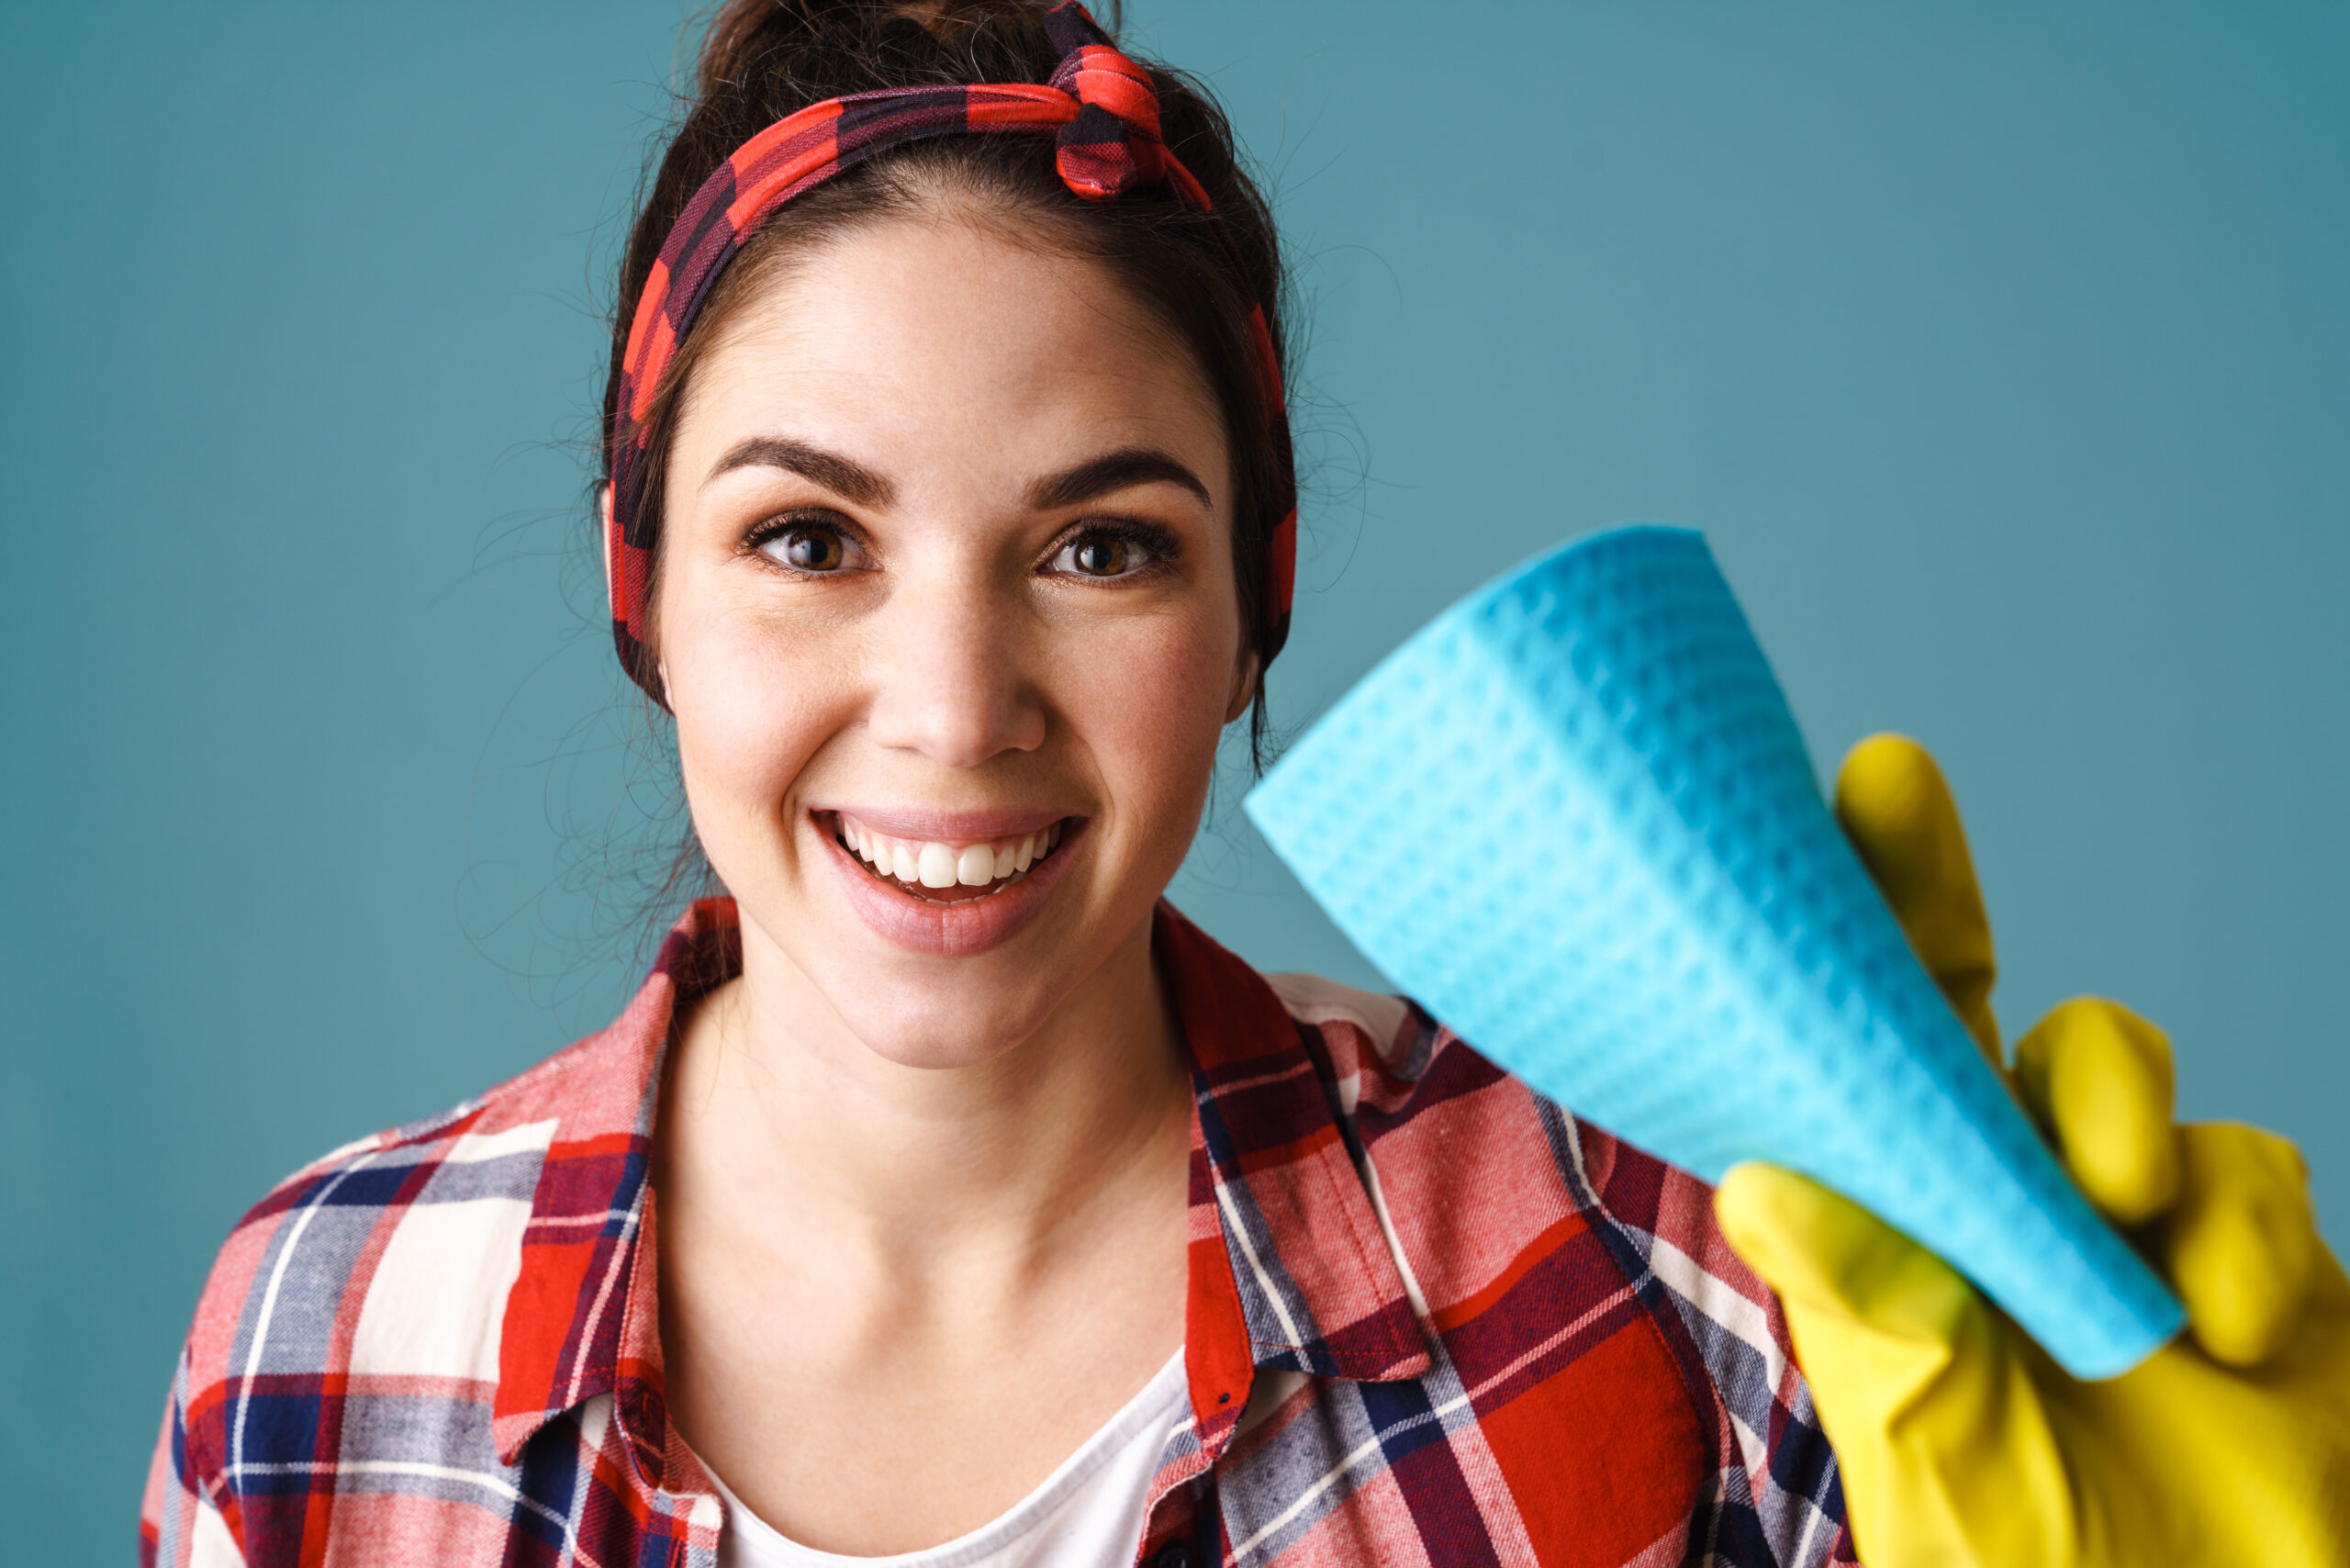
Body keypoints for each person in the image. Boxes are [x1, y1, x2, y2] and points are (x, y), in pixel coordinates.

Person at [139, 3, 2347, 1565]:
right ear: (649, 588)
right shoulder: (325, 1345)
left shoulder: (1648, 1259)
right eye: (806, 537)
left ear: (1246, 611)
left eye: (1099, 545)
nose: (951, 700)